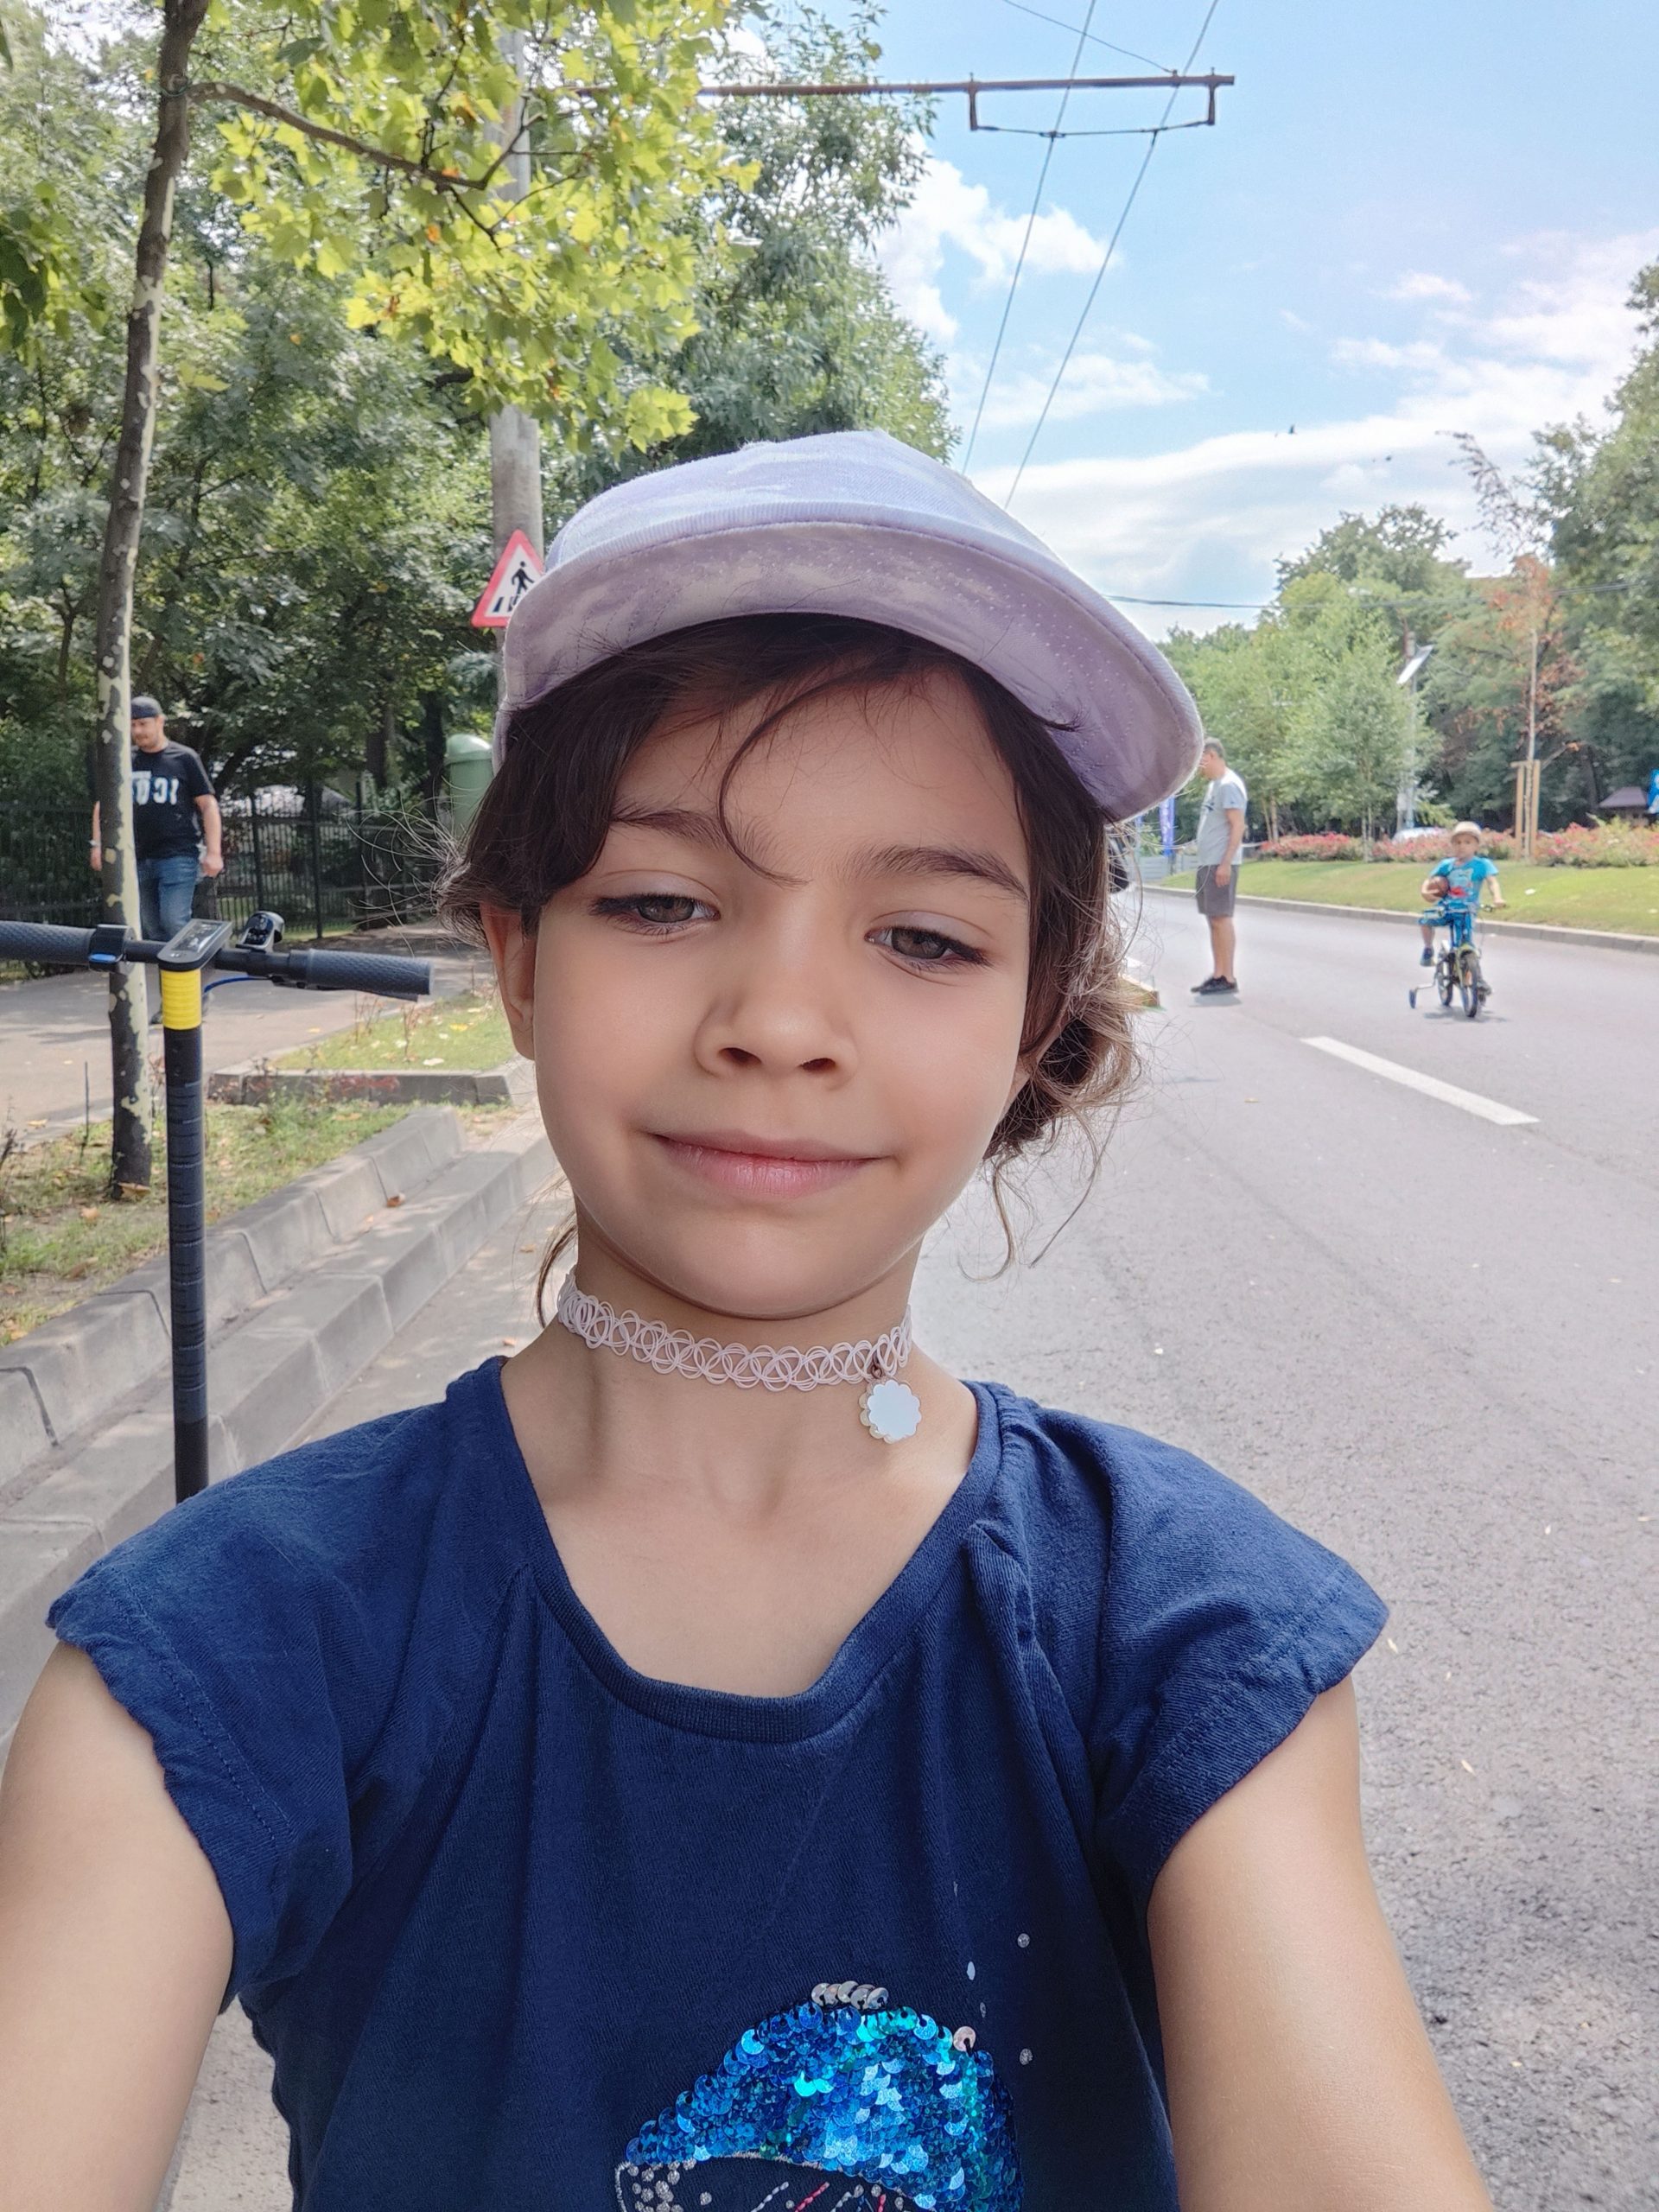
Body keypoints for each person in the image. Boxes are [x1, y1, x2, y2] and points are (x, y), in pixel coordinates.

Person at [0, 435, 1491, 2212]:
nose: (780, 1020)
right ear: (520, 958)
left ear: (1034, 1018)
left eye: (923, 937)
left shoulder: (1180, 1639)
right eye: (661, 900)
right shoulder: (224, 1654)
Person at [89, 695, 224, 944]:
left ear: (160, 722)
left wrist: (214, 852)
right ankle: (171, 968)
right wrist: (98, 846)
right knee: (151, 928)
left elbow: (208, 805)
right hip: (137, 856)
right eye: (133, 725)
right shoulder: (124, 761)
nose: (138, 731)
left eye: (143, 724)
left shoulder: (184, 758)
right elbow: (104, 805)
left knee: (173, 920)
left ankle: (192, 964)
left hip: (178, 854)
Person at [1190, 737, 1247, 997]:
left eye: (1200, 760)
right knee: (1213, 918)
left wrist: (1226, 862)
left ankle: (1227, 976)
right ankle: (1218, 973)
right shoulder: (1215, 786)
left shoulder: (1229, 785)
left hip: (1220, 863)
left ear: (1211, 755)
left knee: (1221, 918)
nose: (1198, 767)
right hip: (1208, 861)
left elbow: (1237, 825)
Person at [1419, 823, 1505, 963]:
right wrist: (1425, 891)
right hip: (1445, 908)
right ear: (1452, 845)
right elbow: (1430, 880)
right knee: (1425, 919)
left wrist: (1497, 898)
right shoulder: (1447, 865)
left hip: (1466, 910)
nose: (1462, 846)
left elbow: (1492, 882)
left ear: (1476, 845)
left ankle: (1471, 970)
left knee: (1464, 942)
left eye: (1467, 842)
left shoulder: (1482, 865)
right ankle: (1428, 949)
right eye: (1458, 842)